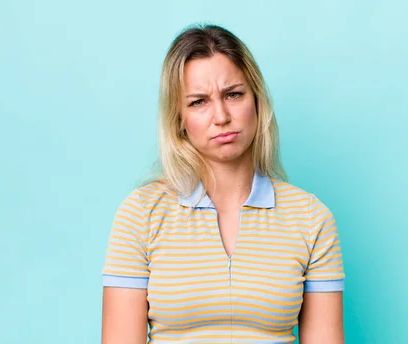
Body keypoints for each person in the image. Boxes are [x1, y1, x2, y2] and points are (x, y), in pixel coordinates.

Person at [101, 23, 346, 344]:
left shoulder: (312, 219)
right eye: (198, 101)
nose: (221, 116)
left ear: (257, 102)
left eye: (233, 94)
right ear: (179, 119)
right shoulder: (140, 214)